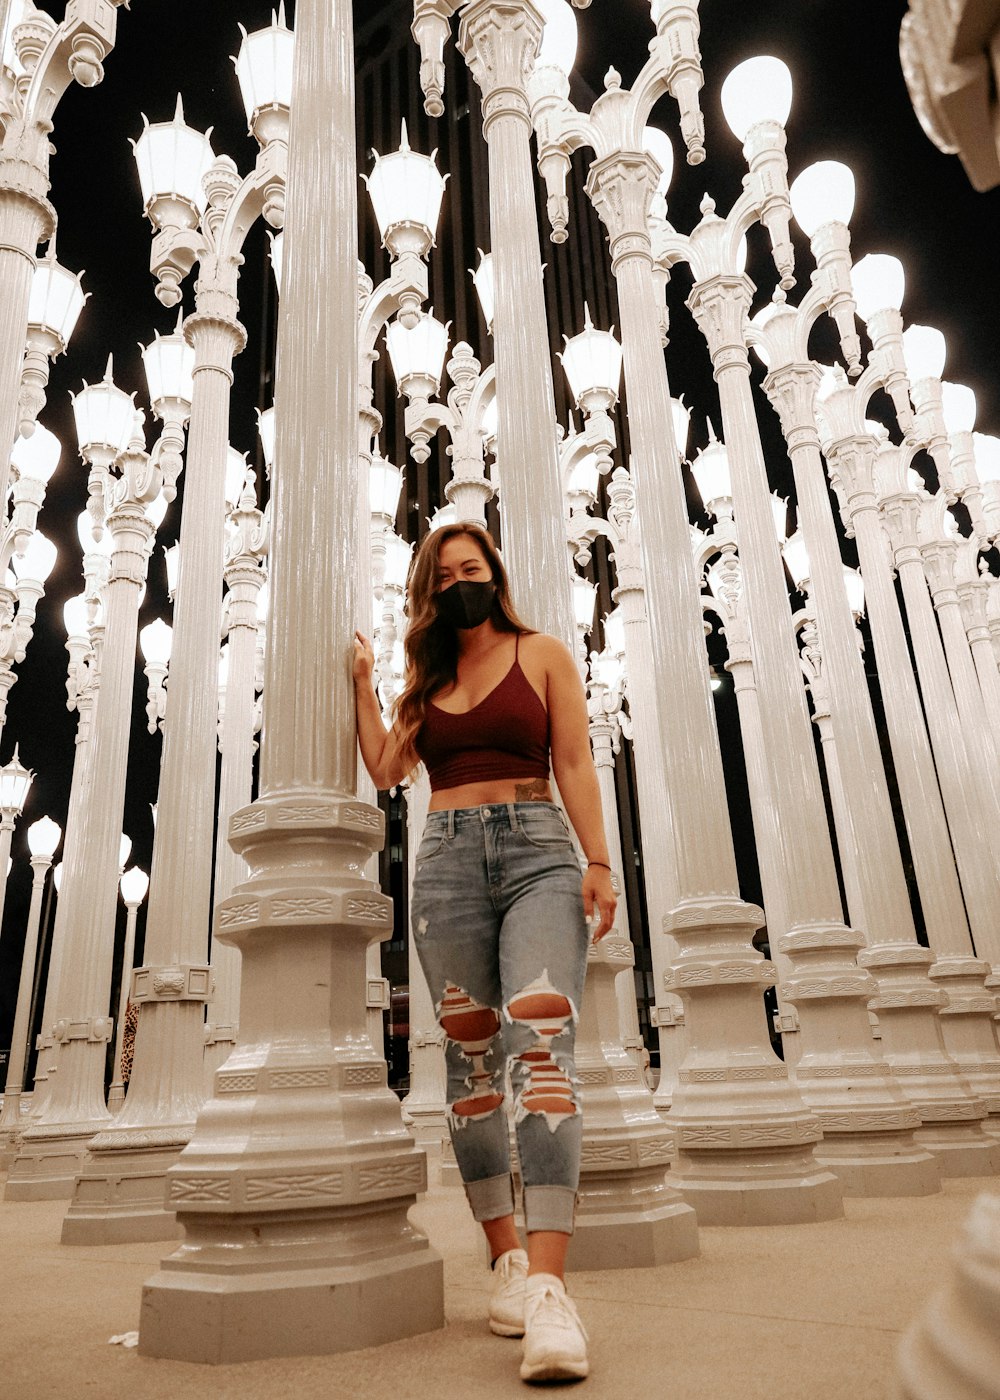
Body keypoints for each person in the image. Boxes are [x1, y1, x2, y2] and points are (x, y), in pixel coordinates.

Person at [354, 521, 617, 1384]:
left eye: (473, 567)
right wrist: (364, 683)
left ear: (493, 574)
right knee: (469, 1064)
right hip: (445, 864)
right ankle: (504, 1259)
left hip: (540, 849)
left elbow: (574, 760)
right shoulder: (424, 682)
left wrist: (599, 861)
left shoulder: (540, 653)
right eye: (446, 573)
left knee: (542, 1049)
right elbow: (389, 770)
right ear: (428, 592)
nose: (461, 581)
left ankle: (550, 1291)